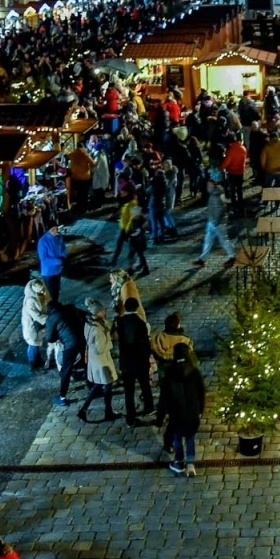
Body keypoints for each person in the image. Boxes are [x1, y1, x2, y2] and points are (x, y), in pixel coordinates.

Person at [155, 341, 206, 477]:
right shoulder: (194, 372)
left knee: (177, 438)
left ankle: (178, 462)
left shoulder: (169, 374)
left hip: (176, 414)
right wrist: (200, 410)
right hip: (192, 413)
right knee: (190, 437)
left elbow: (163, 398)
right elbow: (202, 393)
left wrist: (160, 416)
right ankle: (190, 464)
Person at [115, 288, 154, 422]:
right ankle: (149, 407)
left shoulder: (120, 322)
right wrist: (148, 356)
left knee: (129, 389)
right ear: (137, 307)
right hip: (140, 361)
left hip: (126, 361)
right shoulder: (140, 323)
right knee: (145, 385)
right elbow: (145, 343)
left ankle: (130, 415)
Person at [44, 299, 86, 406]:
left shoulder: (51, 318)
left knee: (66, 369)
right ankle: (93, 386)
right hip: (82, 338)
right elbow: (83, 315)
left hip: (69, 344)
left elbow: (50, 338)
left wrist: (58, 336)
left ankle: (62, 398)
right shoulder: (70, 308)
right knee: (86, 362)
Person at [196, 171, 237, 268]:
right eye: (207, 186)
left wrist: (216, 222)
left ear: (214, 185)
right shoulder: (214, 194)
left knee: (223, 240)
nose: (208, 188)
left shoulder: (216, 195)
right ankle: (202, 259)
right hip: (212, 222)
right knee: (208, 240)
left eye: (209, 186)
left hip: (217, 223)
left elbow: (221, 209)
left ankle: (232, 257)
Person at [111, 198, 149, 275]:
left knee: (139, 255)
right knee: (134, 255)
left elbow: (133, 230)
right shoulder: (136, 220)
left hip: (138, 241)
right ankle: (133, 268)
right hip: (135, 241)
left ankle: (144, 268)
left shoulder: (137, 220)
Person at [21, 275, 50, 369]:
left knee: (37, 344)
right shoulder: (30, 301)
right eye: (41, 291)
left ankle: (38, 360)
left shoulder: (39, 293)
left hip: (37, 327)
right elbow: (37, 316)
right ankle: (33, 364)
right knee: (33, 345)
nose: (43, 292)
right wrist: (49, 319)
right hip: (32, 327)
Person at [37, 223, 67, 302]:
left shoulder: (59, 237)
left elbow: (63, 248)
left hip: (57, 270)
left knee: (56, 292)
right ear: (49, 230)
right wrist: (58, 261)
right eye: (53, 229)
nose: (56, 231)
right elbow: (43, 258)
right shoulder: (43, 241)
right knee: (51, 293)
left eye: (56, 228)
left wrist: (63, 257)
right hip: (48, 273)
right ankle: (52, 309)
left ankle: (56, 307)